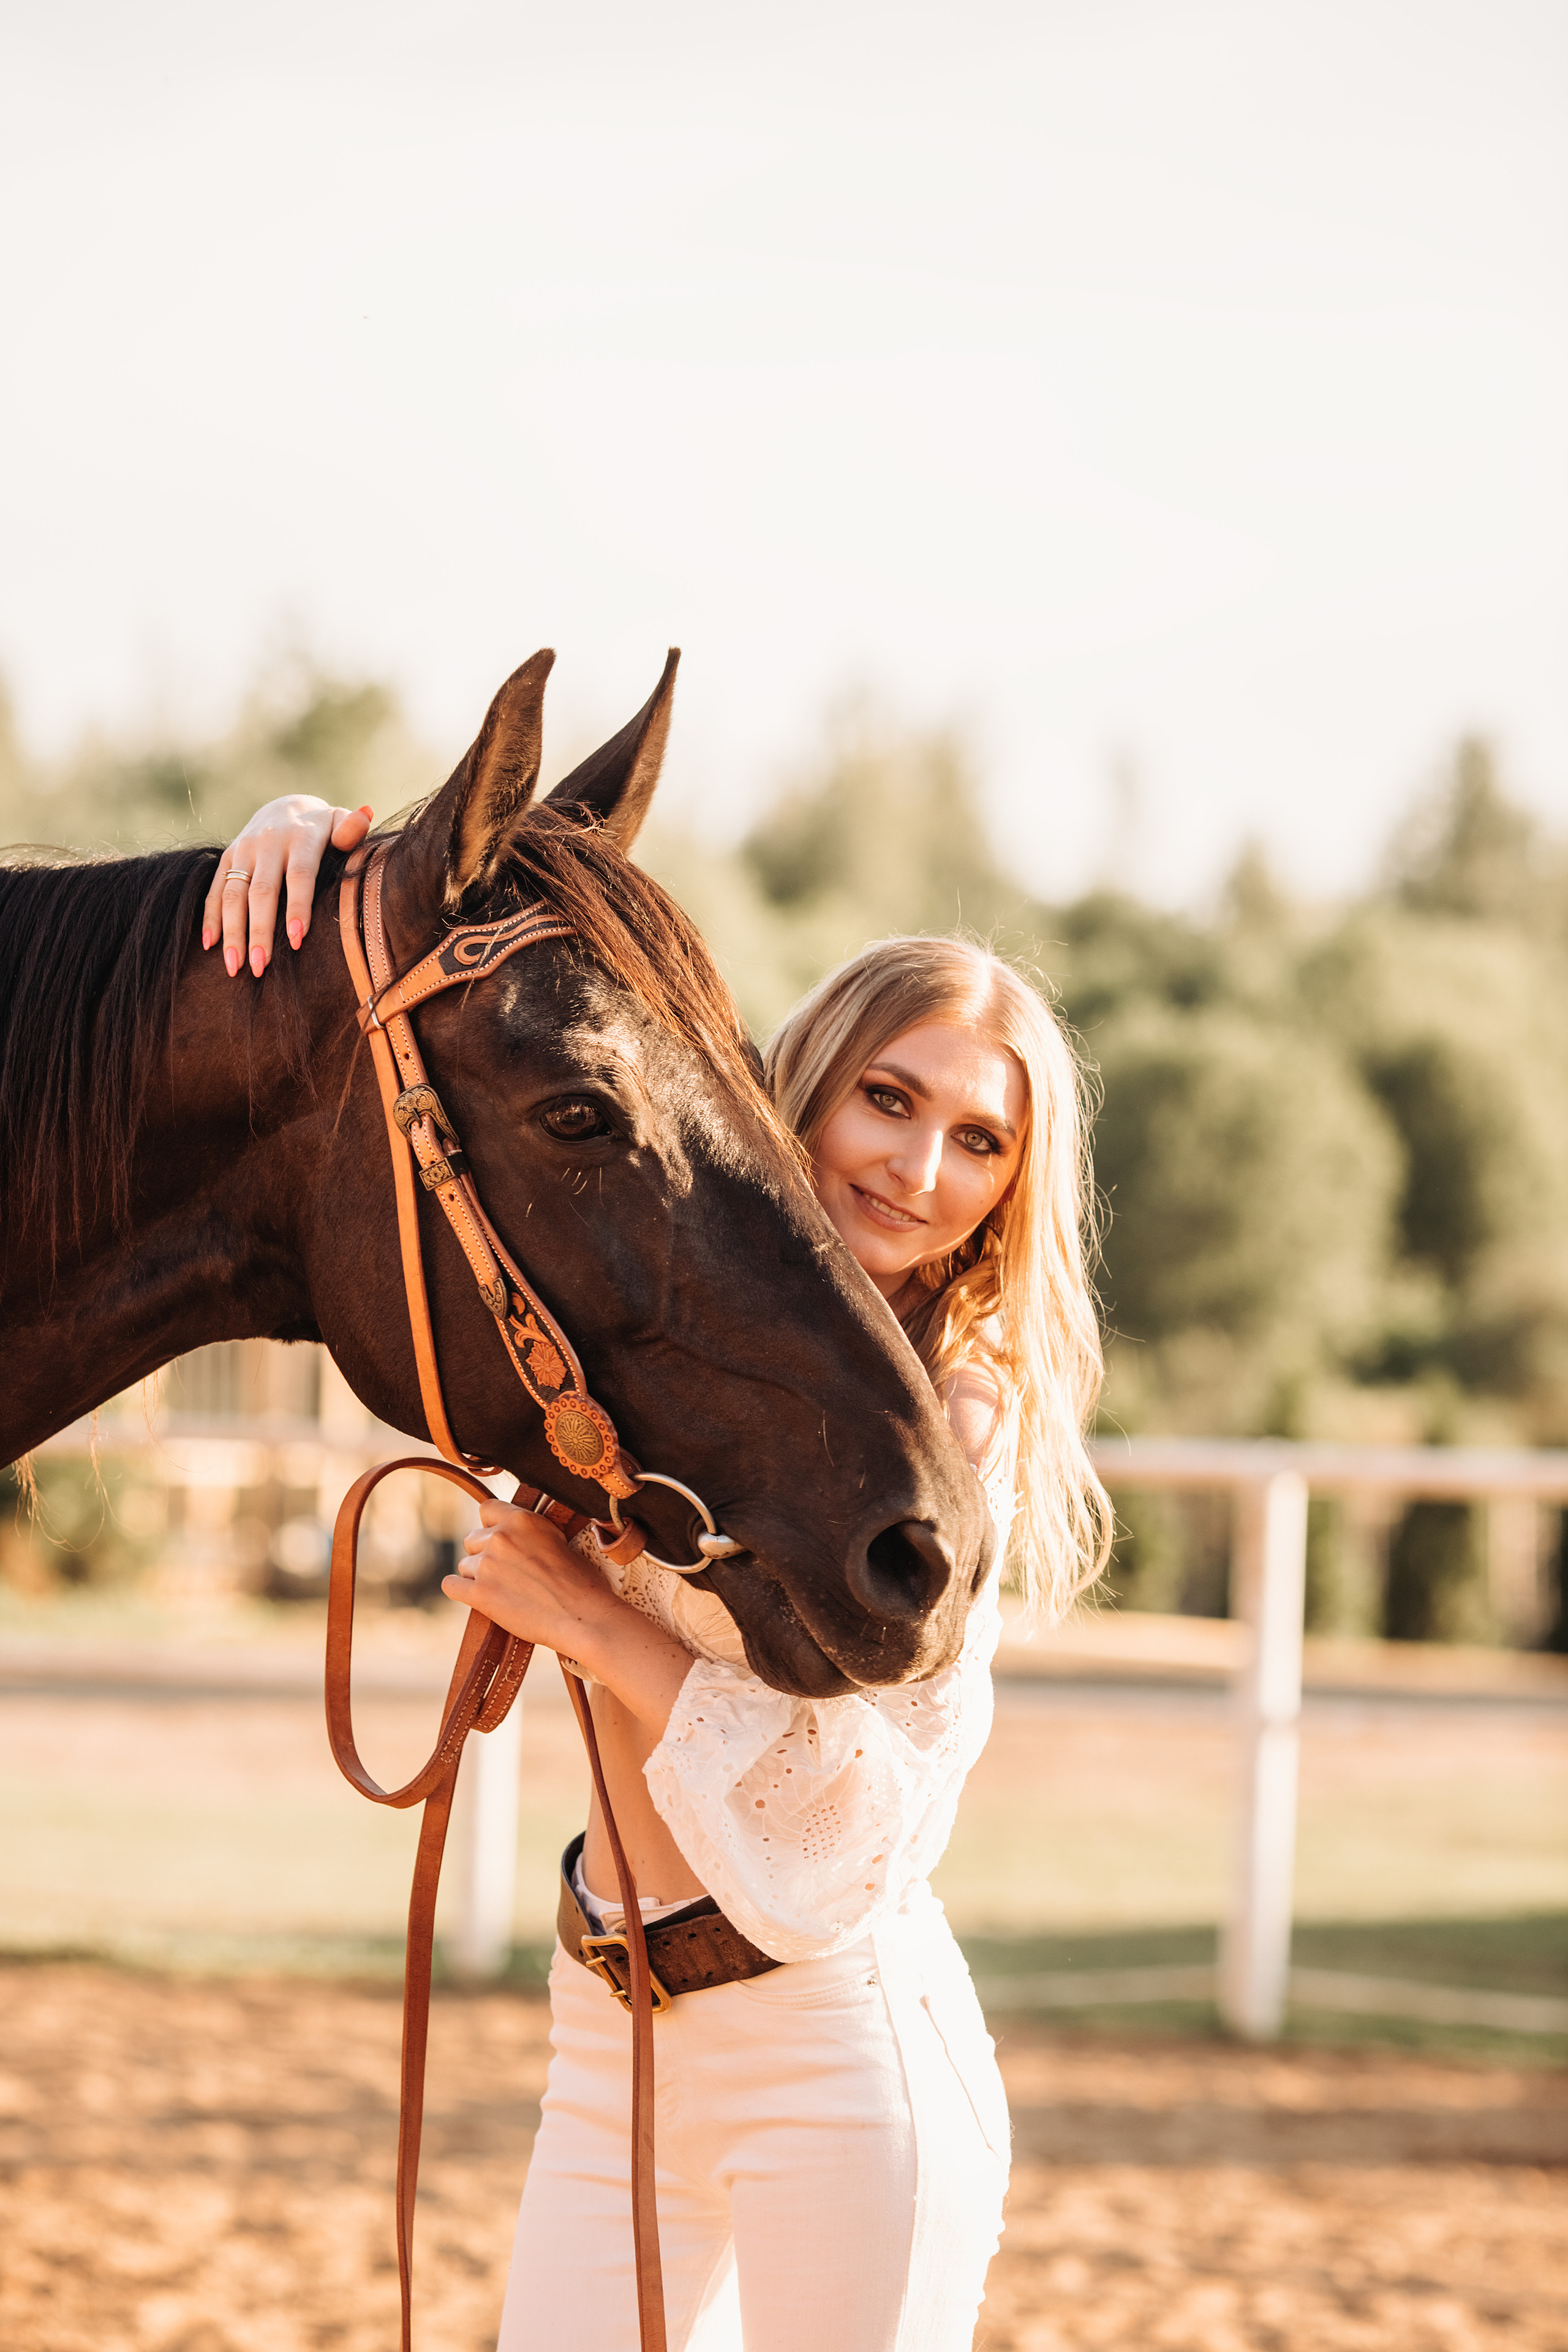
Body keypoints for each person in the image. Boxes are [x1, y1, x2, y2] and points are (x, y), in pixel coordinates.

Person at [205, 797, 1112, 2352]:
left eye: (977, 1141)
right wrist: (313, 838)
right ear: (803, 1092)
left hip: (830, 2045)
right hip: (611, 2022)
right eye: (885, 1101)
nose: (913, 1167)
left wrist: (579, 1616)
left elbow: (851, 1824)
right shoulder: (667, 1334)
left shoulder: (951, 1419)